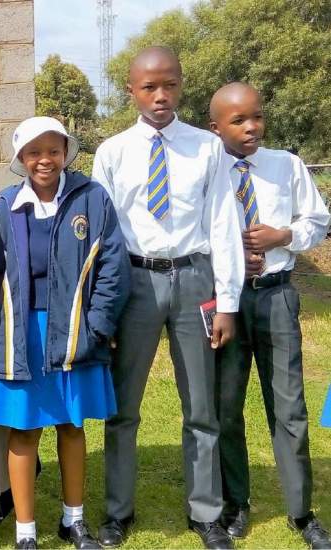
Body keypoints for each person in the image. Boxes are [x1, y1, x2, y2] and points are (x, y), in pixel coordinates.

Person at [91, 47, 244, 549]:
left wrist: (227, 301)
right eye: (149, 87)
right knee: (123, 406)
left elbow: (222, 224)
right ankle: (117, 511)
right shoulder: (112, 153)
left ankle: (205, 513)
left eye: (170, 85)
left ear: (181, 86)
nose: (161, 96)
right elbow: (102, 235)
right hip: (134, 284)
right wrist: (103, 308)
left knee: (201, 406)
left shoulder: (207, 149)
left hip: (195, 280)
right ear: (131, 90)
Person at [0, 116, 129, 549]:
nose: (44, 159)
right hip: (22, 336)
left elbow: (113, 267)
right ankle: (26, 531)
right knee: (24, 430)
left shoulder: (93, 199)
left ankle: (73, 520)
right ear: (20, 159)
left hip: (74, 333)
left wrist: (97, 327)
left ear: (66, 152)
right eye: (33, 152)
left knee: (70, 425)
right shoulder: (4, 208)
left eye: (52, 150)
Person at [209, 82, 331, 548]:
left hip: (276, 296)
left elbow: (316, 221)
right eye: (238, 120)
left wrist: (281, 236)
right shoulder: (207, 170)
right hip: (227, 300)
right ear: (215, 126)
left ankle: (301, 512)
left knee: (289, 406)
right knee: (226, 406)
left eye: (257, 116)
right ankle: (235, 503)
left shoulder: (287, 166)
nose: (251, 127)